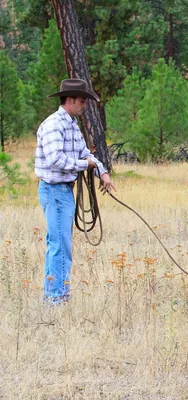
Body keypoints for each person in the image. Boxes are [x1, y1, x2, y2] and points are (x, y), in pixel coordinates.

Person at [35, 78, 116, 305]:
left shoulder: (71, 125)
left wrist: (102, 172)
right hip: (55, 190)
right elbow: (56, 160)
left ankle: (55, 294)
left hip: (62, 191)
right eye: (82, 100)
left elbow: (83, 152)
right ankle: (56, 298)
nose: (85, 105)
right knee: (60, 244)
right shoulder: (53, 125)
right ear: (70, 100)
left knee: (59, 243)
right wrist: (87, 166)